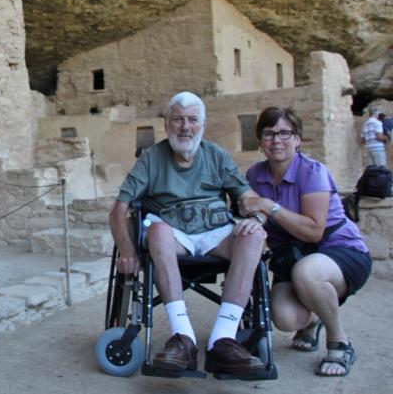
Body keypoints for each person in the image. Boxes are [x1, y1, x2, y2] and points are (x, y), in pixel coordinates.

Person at [108, 91, 267, 377]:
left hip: (216, 232)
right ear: (167, 123)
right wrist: (128, 251)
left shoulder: (216, 155)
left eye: (192, 120)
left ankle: (224, 338)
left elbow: (248, 197)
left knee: (253, 236)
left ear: (202, 126)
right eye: (178, 119)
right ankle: (184, 338)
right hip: (174, 236)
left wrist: (256, 217)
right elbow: (119, 209)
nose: (185, 127)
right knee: (156, 230)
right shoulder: (151, 158)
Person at [241, 107, 371, 377]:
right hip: (293, 255)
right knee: (286, 318)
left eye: (284, 133)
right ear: (260, 140)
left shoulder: (312, 171)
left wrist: (269, 206)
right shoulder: (255, 174)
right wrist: (254, 218)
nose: (276, 140)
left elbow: (314, 231)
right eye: (268, 134)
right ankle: (311, 322)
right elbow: (253, 211)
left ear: (297, 139)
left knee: (308, 272)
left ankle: (340, 342)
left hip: (339, 251)